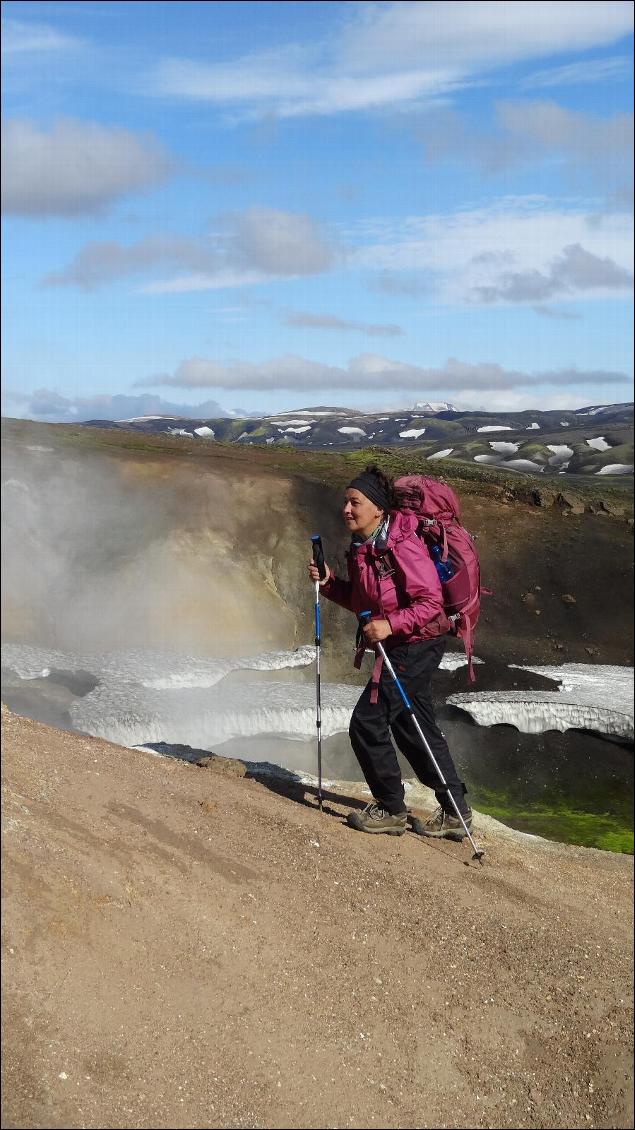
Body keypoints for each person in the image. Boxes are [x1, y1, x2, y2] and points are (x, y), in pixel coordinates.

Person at [307, 464, 472, 839]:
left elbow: (430, 603)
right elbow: (363, 599)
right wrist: (331, 584)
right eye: (346, 502)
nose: (347, 509)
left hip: (417, 644)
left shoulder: (401, 544)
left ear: (379, 508)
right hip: (400, 645)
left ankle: (392, 808)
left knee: (366, 721)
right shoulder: (364, 548)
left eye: (355, 502)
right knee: (415, 728)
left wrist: (390, 625)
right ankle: (455, 811)